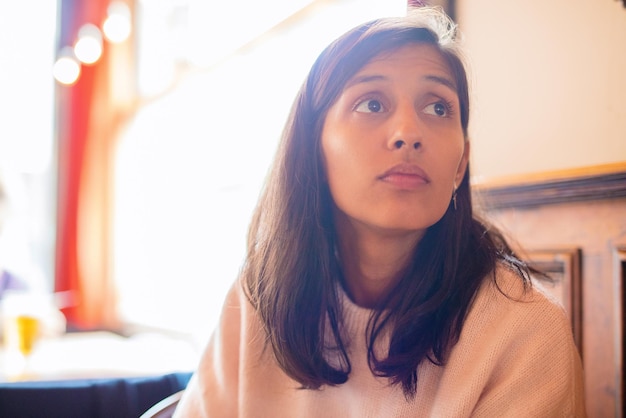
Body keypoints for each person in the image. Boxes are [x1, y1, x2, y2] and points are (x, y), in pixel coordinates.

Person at [175, 6, 586, 417]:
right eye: (371, 103)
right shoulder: (259, 296)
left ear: (460, 165)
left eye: (439, 107)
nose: (408, 133)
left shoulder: (526, 333)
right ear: (313, 148)